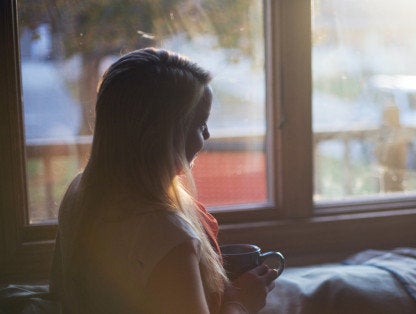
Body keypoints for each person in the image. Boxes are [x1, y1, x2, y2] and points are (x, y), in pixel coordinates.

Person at [50, 48, 278, 313]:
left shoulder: (80, 191)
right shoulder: (168, 237)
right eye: (200, 124)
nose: (207, 134)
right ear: (165, 135)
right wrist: (241, 304)